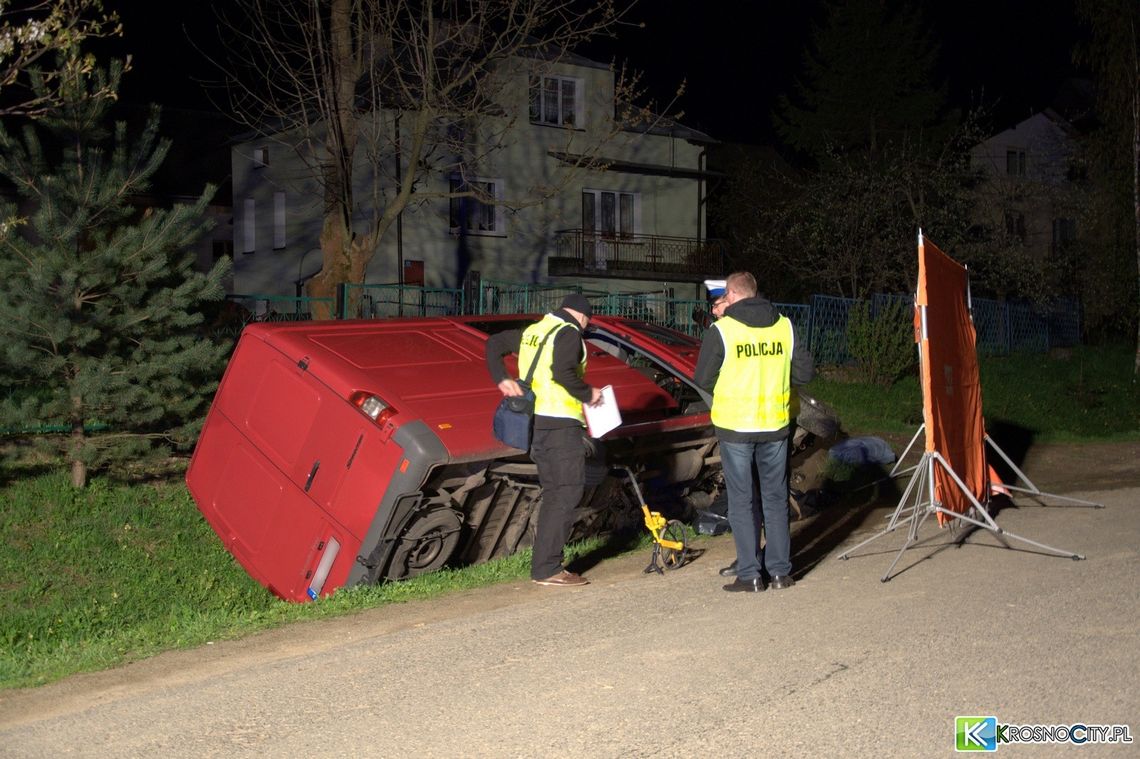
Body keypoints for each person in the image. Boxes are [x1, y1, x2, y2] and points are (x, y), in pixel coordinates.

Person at [694, 272, 814, 593]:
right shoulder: (784, 326)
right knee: (775, 500)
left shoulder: (723, 330)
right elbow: (804, 372)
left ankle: (749, 574)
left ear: (732, 295)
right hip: (775, 426)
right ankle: (779, 573)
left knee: (742, 500)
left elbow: (703, 379)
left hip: (736, 428)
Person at [485, 293, 603, 587]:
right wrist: (590, 394)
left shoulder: (535, 331)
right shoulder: (570, 334)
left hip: (536, 424)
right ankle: (548, 568)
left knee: (555, 494)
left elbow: (494, 343)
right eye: (587, 322)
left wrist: (501, 377)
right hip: (560, 427)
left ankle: (544, 565)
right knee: (567, 492)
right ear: (582, 317)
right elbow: (562, 373)